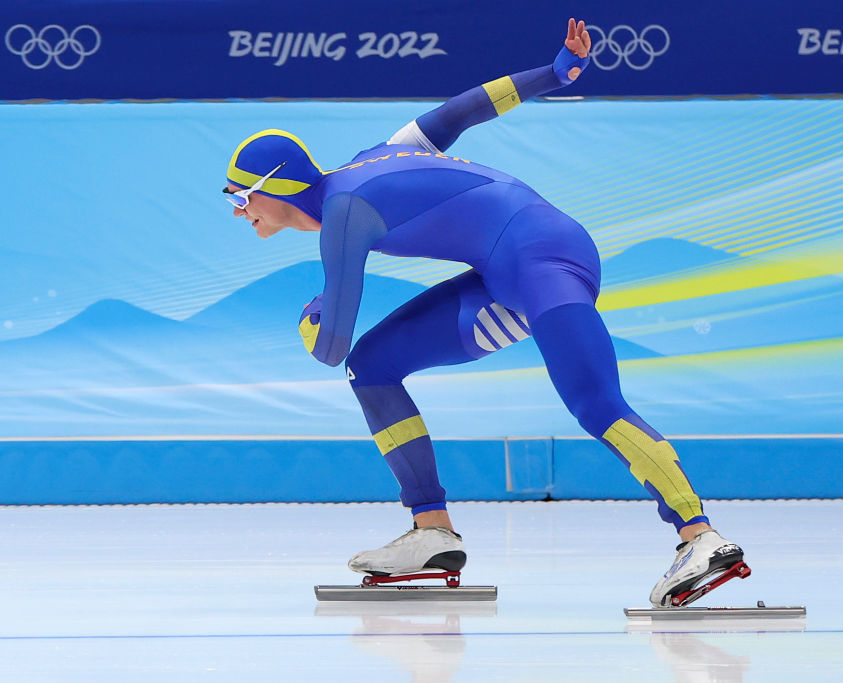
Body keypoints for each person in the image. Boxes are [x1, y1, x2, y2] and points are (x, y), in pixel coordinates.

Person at [223, 19, 745, 607]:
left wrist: (310, 320)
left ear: (276, 188)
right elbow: (461, 111)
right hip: (501, 276)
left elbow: (329, 345)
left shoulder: (344, 212)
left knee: (595, 402)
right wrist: (554, 74)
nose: (241, 213)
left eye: (241, 198)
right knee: (371, 367)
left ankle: (701, 536)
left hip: (546, 258)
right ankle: (431, 531)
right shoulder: (374, 158)